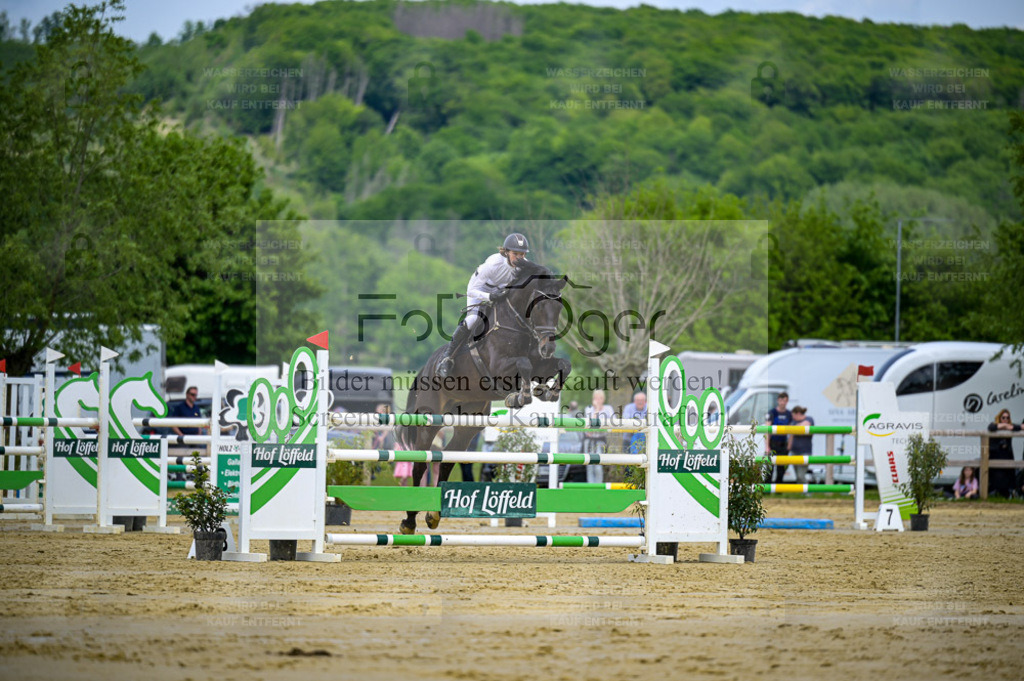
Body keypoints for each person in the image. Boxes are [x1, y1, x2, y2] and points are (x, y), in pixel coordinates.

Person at [438, 233, 530, 378]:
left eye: (522, 254)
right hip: (479, 292)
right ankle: (446, 358)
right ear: (506, 252)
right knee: (473, 320)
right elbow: (472, 290)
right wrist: (489, 296)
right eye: (515, 254)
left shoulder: (524, 267)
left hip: (500, 293)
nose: (519, 258)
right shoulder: (493, 264)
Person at [582, 389, 614, 483]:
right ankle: (591, 488)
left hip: (600, 440)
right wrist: (596, 410)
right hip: (589, 440)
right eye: (596, 398)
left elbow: (613, 423)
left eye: (600, 398)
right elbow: (589, 428)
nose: (598, 400)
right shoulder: (589, 409)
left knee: (598, 466)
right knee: (589, 466)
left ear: (603, 399)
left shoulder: (608, 409)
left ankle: (599, 486)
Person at [987, 409, 1020, 497]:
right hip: (996, 455)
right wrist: (1004, 426)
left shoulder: (1011, 426)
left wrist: (1010, 427)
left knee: (1008, 477)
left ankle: (1007, 494)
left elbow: (1020, 427)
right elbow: (991, 427)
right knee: (996, 477)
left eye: (1007, 418)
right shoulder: (994, 425)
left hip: (1007, 455)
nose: (1005, 419)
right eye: (1003, 417)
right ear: (999, 417)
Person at [764, 392, 791, 483]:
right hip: (773, 443)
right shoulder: (772, 412)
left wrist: (789, 445)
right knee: (769, 468)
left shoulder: (789, 414)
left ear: (787, 402)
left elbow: (792, 431)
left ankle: (778, 489)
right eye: (781, 400)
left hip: (783, 444)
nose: (782, 403)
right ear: (778, 401)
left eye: (784, 401)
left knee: (781, 469)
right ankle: (767, 488)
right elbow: (767, 430)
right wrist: (767, 446)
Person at [787, 406, 813, 485]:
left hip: (805, 451)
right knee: (797, 475)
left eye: (794, 415)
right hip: (794, 451)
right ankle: (801, 493)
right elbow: (791, 435)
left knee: (801, 475)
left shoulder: (809, 419)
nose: (793, 418)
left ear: (798, 414)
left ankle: (808, 492)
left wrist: (793, 428)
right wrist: (789, 448)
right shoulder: (794, 422)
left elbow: (806, 425)